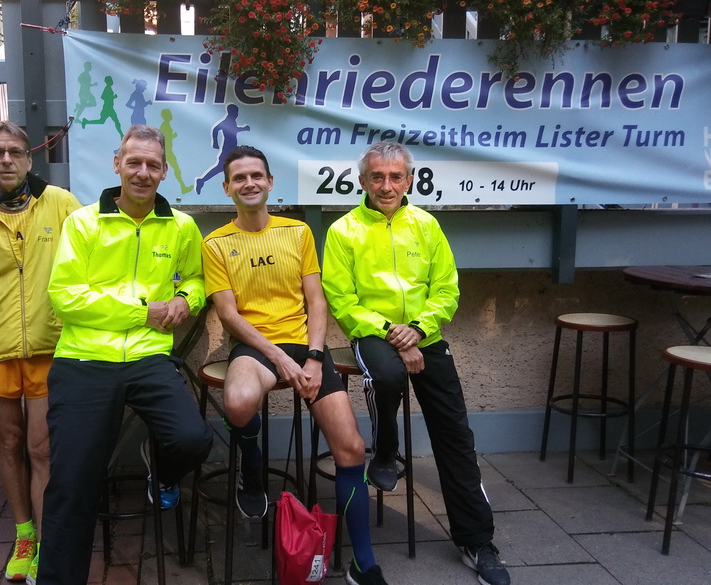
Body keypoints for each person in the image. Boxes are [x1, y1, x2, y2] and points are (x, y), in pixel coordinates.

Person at [321, 141, 511, 585]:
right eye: (377, 177)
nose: (386, 186)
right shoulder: (343, 231)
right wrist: (393, 332)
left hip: (426, 334)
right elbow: (342, 300)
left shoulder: (426, 225)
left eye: (395, 177)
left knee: (455, 433)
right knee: (387, 375)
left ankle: (477, 541)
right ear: (362, 181)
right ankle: (385, 449)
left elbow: (446, 289)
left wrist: (419, 330)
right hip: (374, 334)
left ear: (409, 180)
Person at [202, 145, 389, 585]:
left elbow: (316, 301)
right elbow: (228, 315)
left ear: (270, 182)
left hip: (306, 348)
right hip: (256, 346)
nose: (249, 183)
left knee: (352, 449)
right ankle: (252, 466)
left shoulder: (298, 231)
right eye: (239, 177)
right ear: (227, 188)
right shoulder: (215, 243)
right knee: (238, 402)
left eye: (257, 176)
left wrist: (316, 357)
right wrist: (279, 357)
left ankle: (363, 563)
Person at [38, 124, 214, 584]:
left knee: (192, 439)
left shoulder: (181, 226)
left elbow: (196, 279)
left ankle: (163, 473)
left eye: (152, 165)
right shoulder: (84, 222)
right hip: (84, 359)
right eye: (133, 162)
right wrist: (143, 312)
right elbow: (65, 297)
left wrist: (186, 301)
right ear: (117, 164)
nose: (142, 172)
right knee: (73, 482)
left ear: (164, 172)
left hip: (149, 358)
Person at [0, 121, 79, 584]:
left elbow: (85, 258)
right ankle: (24, 534)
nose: (6, 160)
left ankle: (46, 541)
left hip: (50, 342)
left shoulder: (60, 203)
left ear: (29, 158)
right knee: (8, 442)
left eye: (15, 152)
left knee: (40, 447)